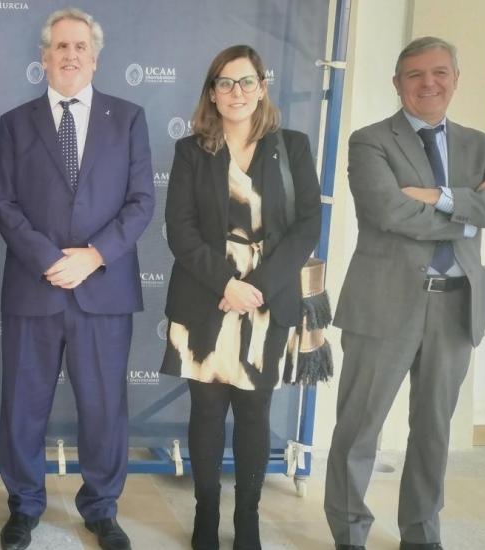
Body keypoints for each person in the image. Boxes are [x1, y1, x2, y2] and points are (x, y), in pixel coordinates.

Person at [325, 37, 485, 550]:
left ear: (456, 79)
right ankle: (349, 535)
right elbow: (386, 212)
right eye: (415, 74)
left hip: (456, 306)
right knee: (359, 429)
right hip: (383, 305)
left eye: (439, 72)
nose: (428, 83)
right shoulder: (370, 141)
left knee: (434, 430)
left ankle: (420, 534)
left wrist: (439, 197)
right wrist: (470, 215)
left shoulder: (480, 145)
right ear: (398, 84)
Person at [0, 8, 154, 550]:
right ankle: (24, 506)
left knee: (104, 408)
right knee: (23, 406)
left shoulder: (127, 118)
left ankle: (102, 509)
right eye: (60, 46)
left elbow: (141, 202)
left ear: (95, 57)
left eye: (80, 46)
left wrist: (93, 256)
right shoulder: (16, 123)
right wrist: (48, 258)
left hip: (103, 289)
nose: (70, 55)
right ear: (44, 57)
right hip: (34, 287)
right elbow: (3, 203)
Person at [160, 45, 321, 550]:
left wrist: (258, 287)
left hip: (268, 299)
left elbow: (307, 226)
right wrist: (227, 285)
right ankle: (206, 514)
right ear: (212, 93)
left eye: (247, 81)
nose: (237, 92)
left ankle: (247, 519)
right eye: (225, 83)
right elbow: (180, 230)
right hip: (206, 294)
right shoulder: (191, 151)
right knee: (207, 413)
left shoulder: (292, 146)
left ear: (262, 87)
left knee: (254, 413)